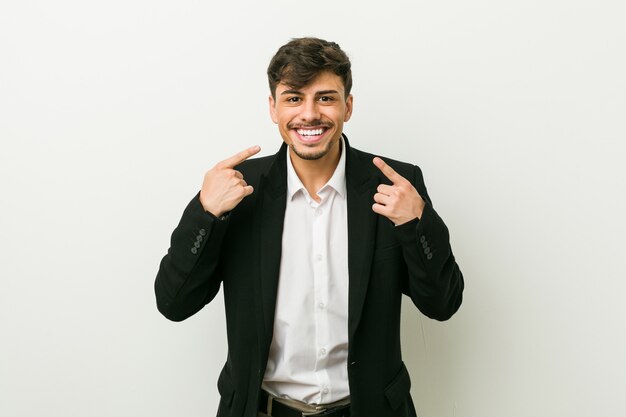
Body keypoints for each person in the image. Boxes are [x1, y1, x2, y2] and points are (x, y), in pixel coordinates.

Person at [155, 37, 464, 417]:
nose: (309, 114)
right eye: (294, 98)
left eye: (326, 98)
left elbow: (443, 303)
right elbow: (173, 303)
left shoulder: (394, 185)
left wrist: (416, 223)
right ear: (273, 108)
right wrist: (206, 213)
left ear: (348, 106)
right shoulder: (236, 189)